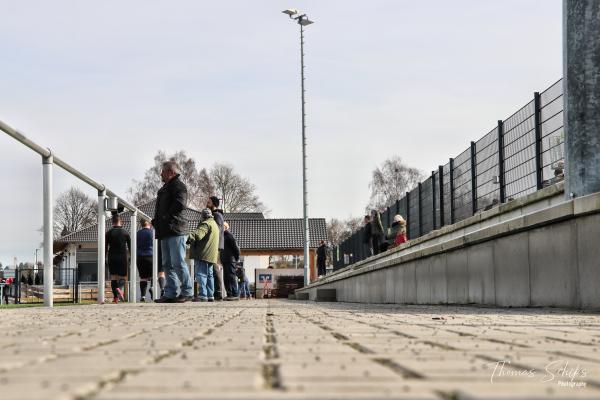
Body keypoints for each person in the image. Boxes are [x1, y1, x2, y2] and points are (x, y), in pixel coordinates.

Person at [152, 161, 193, 303]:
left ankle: (187, 291)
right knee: (167, 263)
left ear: (171, 172)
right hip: (165, 230)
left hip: (176, 229)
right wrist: (156, 221)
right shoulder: (166, 187)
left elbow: (180, 204)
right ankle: (170, 293)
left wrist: (165, 216)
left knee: (178, 262)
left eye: (163, 171)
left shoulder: (178, 186)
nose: (161, 174)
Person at [187, 208, 219, 302]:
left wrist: (186, 237)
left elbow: (198, 234)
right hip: (211, 255)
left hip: (203, 254)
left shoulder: (206, 224)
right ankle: (210, 295)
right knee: (209, 275)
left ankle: (202, 295)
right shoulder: (214, 224)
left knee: (201, 275)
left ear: (203, 216)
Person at [105, 215, 130, 304]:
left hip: (111, 256)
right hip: (122, 256)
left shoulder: (108, 233)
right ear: (121, 222)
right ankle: (119, 288)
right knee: (123, 277)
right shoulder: (125, 233)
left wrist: (104, 257)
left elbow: (105, 247)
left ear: (112, 222)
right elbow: (130, 247)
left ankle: (115, 297)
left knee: (113, 277)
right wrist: (131, 257)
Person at [206, 195, 227, 300]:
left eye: (209, 202)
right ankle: (214, 292)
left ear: (213, 204)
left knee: (215, 268)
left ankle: (218, 293)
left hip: (215, 245)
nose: (206, 203)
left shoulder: (217, 215)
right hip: (212, 245)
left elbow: (217, 231)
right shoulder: (213, 215)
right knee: (212, 268)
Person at [221, 222, 240, 300]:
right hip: (225, 260)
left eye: (222, 226)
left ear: (226, 227)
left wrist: (236, 258)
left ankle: (235, 294)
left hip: (230, 260)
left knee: (231, 277)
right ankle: (229, 294)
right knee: (226, 278)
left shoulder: (229, 236)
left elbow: (236, 248)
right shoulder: (222, 236)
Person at [136, 218, 154, 302]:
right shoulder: (152, 233)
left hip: (140, 257)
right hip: (151, 256)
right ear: (149, 224)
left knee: (143, 278)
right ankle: (152, 287)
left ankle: (143, 296)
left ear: (141, 224)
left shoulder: (137, 233)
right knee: (153, 275)